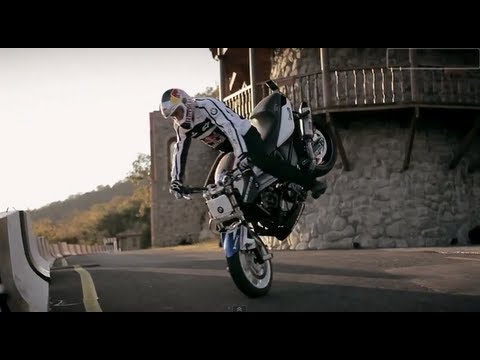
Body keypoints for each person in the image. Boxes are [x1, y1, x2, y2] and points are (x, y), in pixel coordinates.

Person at [160, 88, 327, 200]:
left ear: (186, 102)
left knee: (263, 162)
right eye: (174, 116)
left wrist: (242, 154)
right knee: (212, 187)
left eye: (178, 112)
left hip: (245, 135)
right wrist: (176, 181)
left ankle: (311, 183)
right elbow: (179, 150)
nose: (178, 118)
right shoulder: (181, 127)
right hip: (229, 149)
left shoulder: (207, 106)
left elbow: (230, 127)